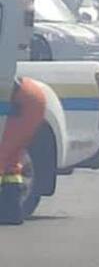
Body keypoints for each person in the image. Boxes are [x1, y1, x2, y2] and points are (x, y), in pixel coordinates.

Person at [0, 76, 48, 225]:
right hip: (31, 99)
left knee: (4, 153)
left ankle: (11, 211)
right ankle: (10, 213)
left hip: (26, 101)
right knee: (11, 159)